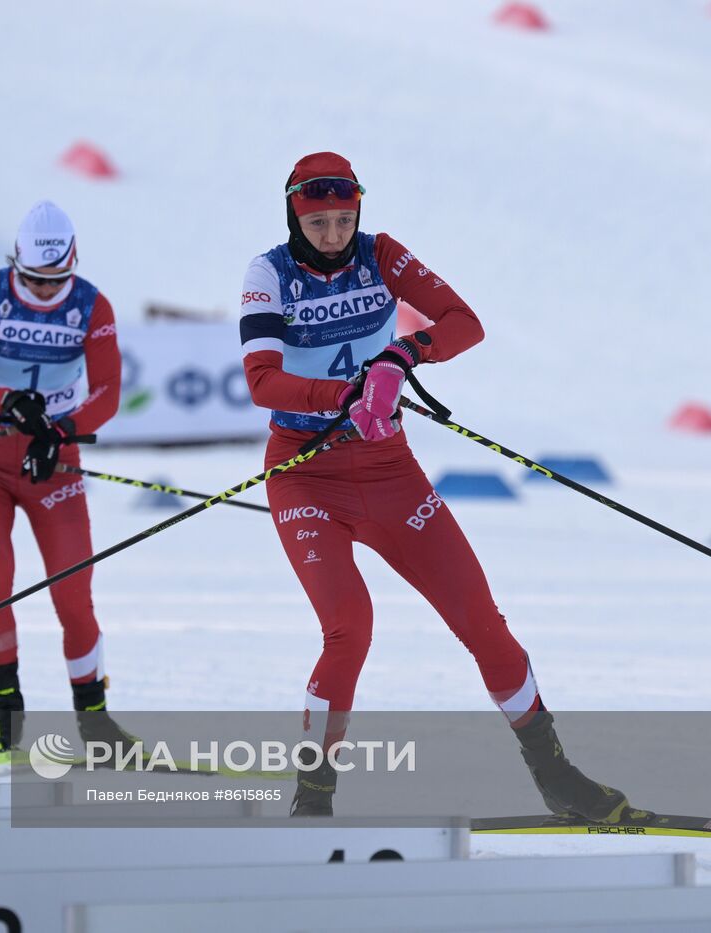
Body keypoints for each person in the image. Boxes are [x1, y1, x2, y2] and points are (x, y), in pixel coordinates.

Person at [238, 152, 634, 821]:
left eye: (343, 218)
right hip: (305, 473)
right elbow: (262, 381)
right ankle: (314, 799)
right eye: (319, 221)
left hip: (390, 469)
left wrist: (402, 355)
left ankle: (556, 775)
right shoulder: (269, 273)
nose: (333, 233)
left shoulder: (381, 255)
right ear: (295, 217)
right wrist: (346, 392)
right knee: (349, 628)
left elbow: (464, 322)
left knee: (482, 622)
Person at [0, 200, 127, 756]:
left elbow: (108, 394)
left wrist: (62, 430)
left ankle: (94, 719)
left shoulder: (93, 305)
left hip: (55, 459)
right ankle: (6, 710)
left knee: (73, 593)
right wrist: (7, 402)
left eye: (57, 282)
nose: (46, 293)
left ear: (72, 265)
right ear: (15, 264)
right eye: (33, 281)